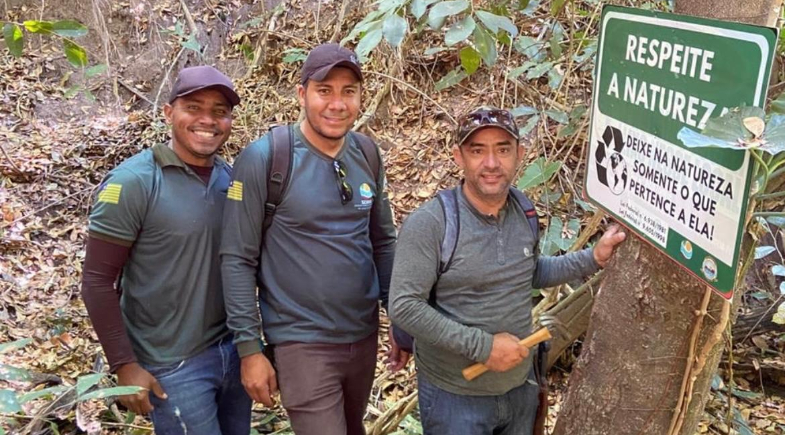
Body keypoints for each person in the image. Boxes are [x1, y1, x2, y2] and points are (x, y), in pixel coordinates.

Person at [389, 106, 626, 435]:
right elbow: (404, 306)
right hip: (456, 398)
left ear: (520, 155)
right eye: (477, 151)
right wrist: (483, 347)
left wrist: (593, 258)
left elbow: (528, 273)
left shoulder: (523, 211)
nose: (491, 163)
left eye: (502, 149)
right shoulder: (432, 224)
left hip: (520, 388)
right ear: (459, 157)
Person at [220, 43, 410, 435]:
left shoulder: (367, 154)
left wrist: (397, 316)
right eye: (325, 90)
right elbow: (237, 258)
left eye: (349, 91)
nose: (337, 104)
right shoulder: (267, 159)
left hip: (362, 334)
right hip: (300, 341)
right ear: (302, 93)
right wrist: (249, 349)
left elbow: (383, 241)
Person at [81, 66, 251, 435]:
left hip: (232, 353)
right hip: (172, 366)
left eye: (220, 111)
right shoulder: (135, 182)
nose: (208, 120)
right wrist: (124, 365)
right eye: (194, 107)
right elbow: (96, 281)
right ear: (169, 113)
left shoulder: (231, 180)